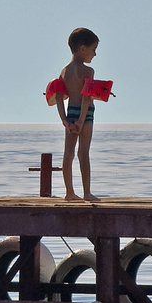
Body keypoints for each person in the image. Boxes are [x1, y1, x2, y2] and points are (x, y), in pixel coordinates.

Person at [55, 27, 101, 201]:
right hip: (85, 115)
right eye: (93, 50)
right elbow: (86, 98)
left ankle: (69, 193)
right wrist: (81, 121)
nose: (94, 55)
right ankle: (87, 193)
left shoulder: (64, 72)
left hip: (70, 112)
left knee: (68, 153)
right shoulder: (88, 72)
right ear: (83, 48)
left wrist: (65, 121)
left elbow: (58, 98)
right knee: (83, 154)